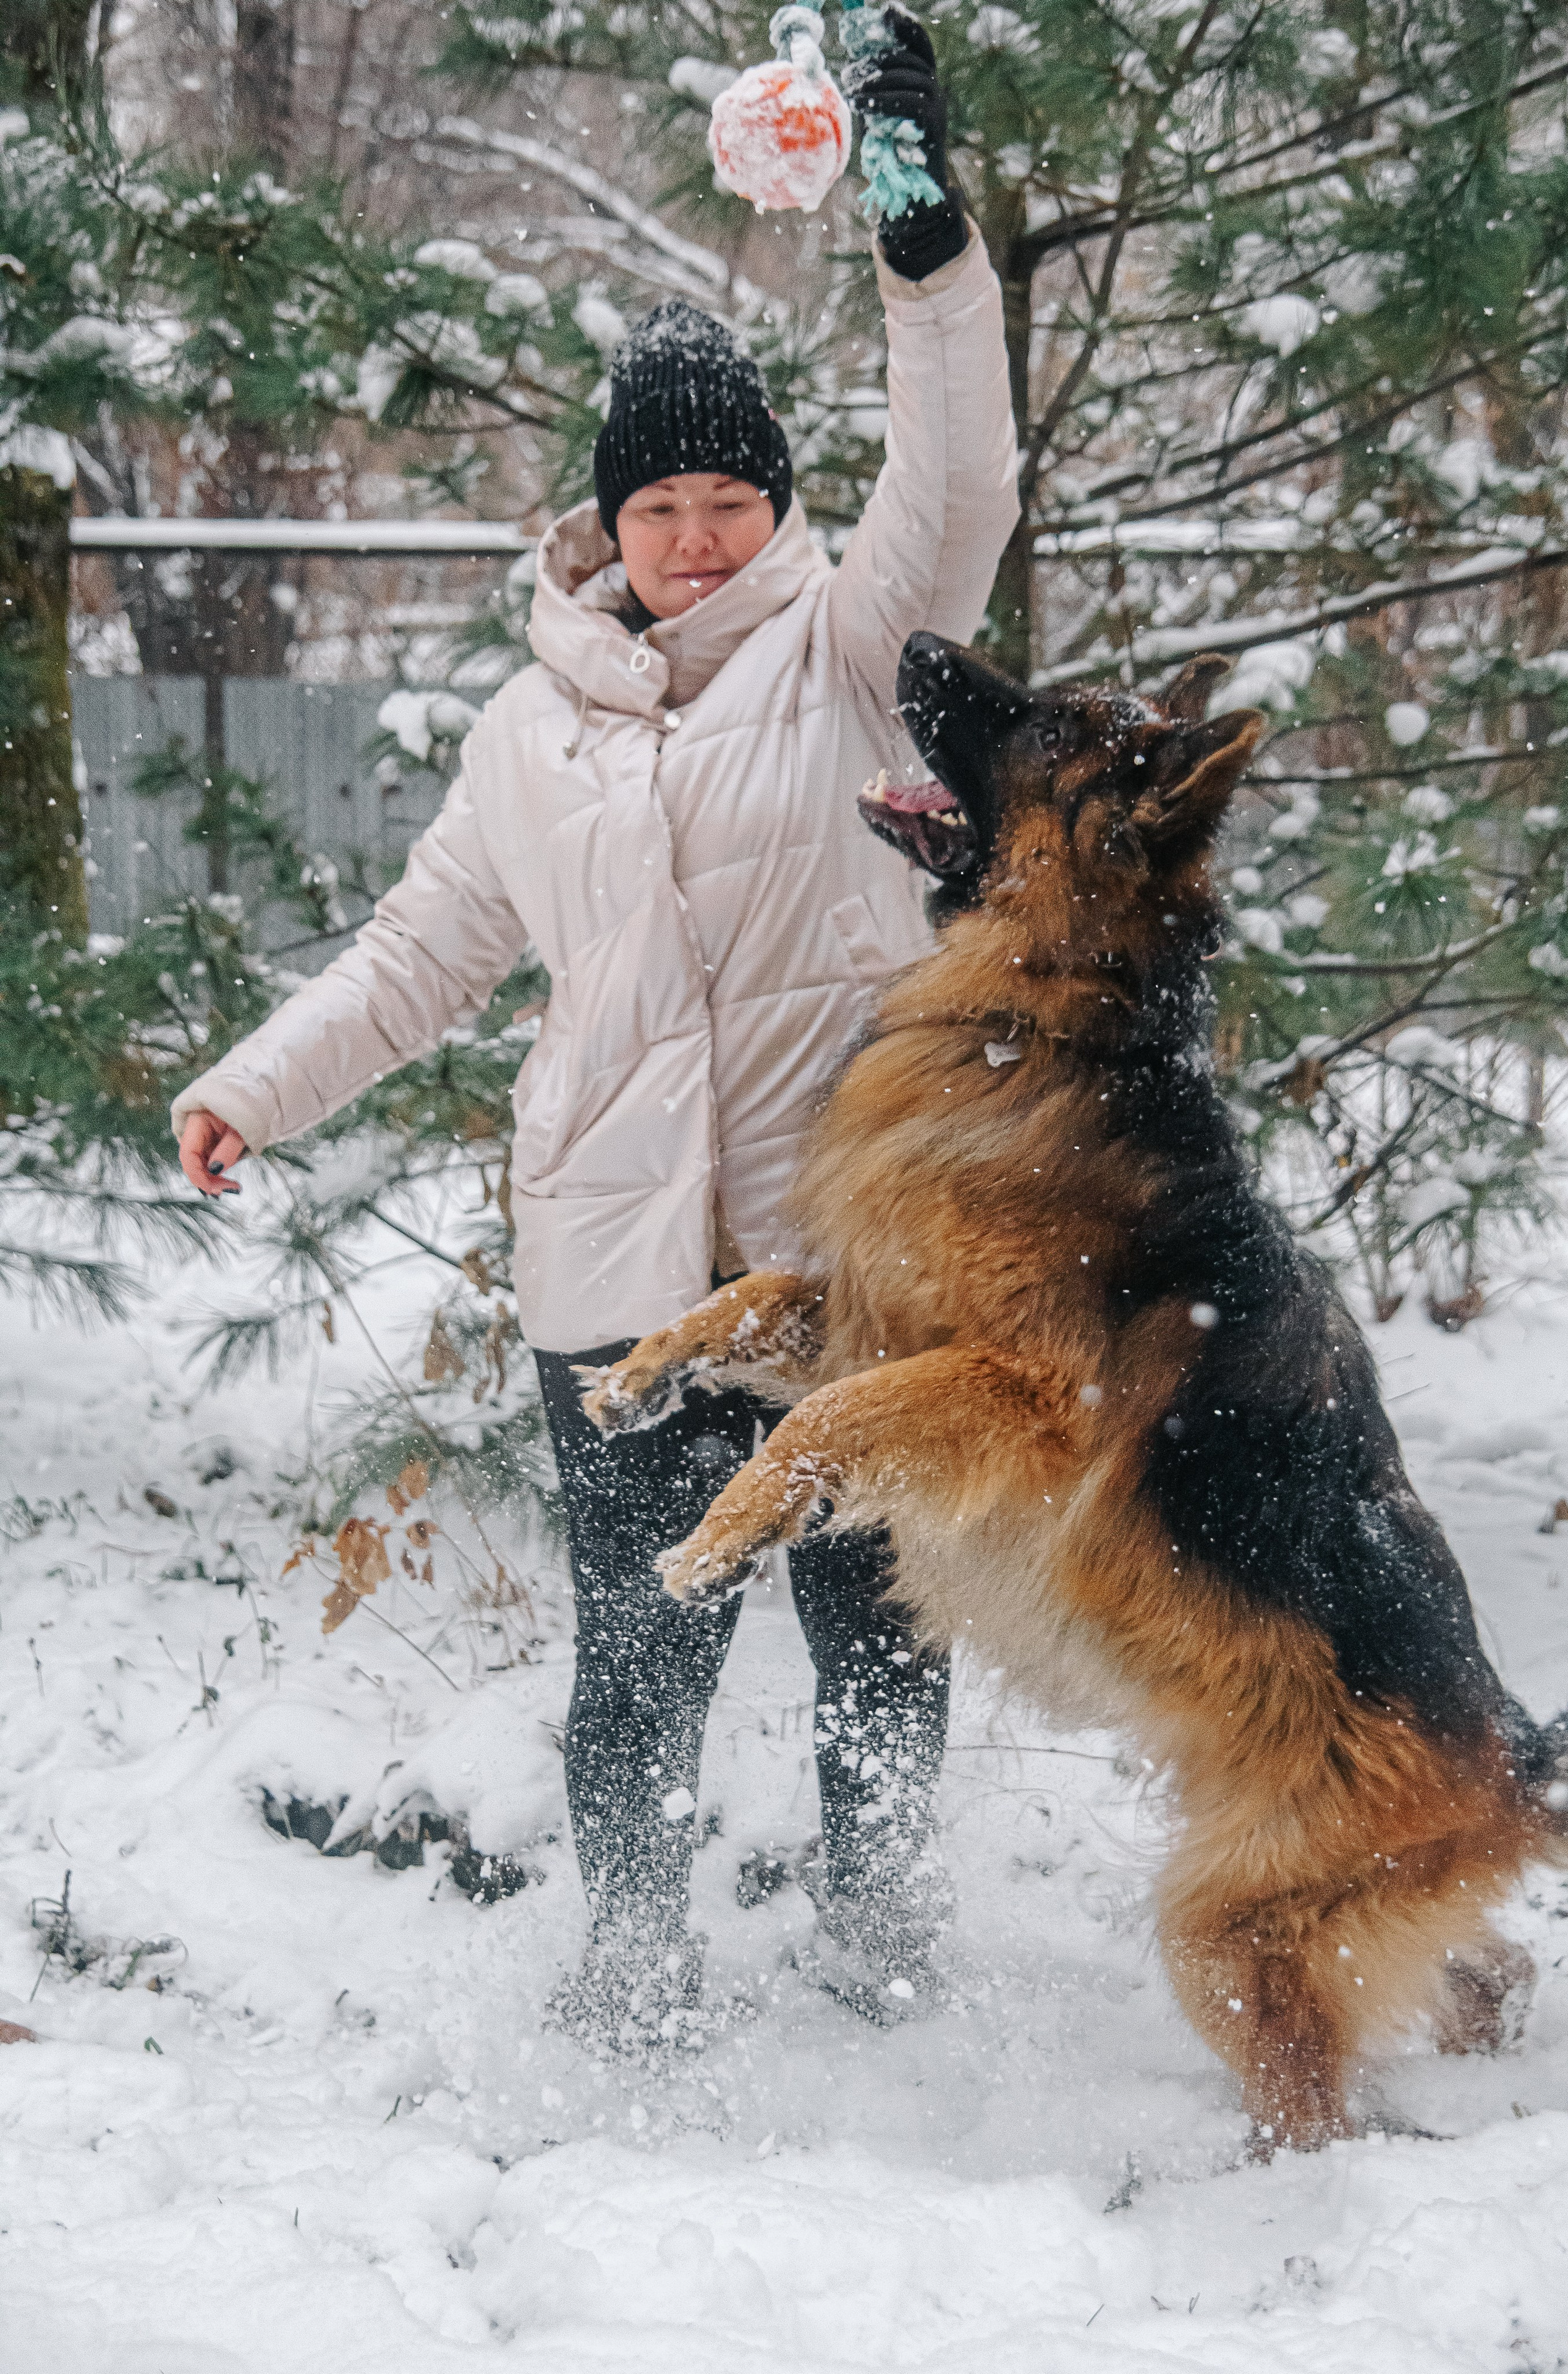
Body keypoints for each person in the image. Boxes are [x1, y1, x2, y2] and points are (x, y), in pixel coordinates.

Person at [172, 12, 1019, 2048]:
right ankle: (636, 1972)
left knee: (883, 1638)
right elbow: (417, 954)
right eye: (665, 507)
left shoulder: (852, 652)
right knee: (640, 1653)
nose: (701, 537)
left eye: (736, 498)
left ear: (780, 513)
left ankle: (879, 1931)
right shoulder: (526, 728)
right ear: (608, 526)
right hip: (620, 1278)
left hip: (850, 1260)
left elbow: (961, 465)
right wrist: (252, 1091)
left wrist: (922, 243)